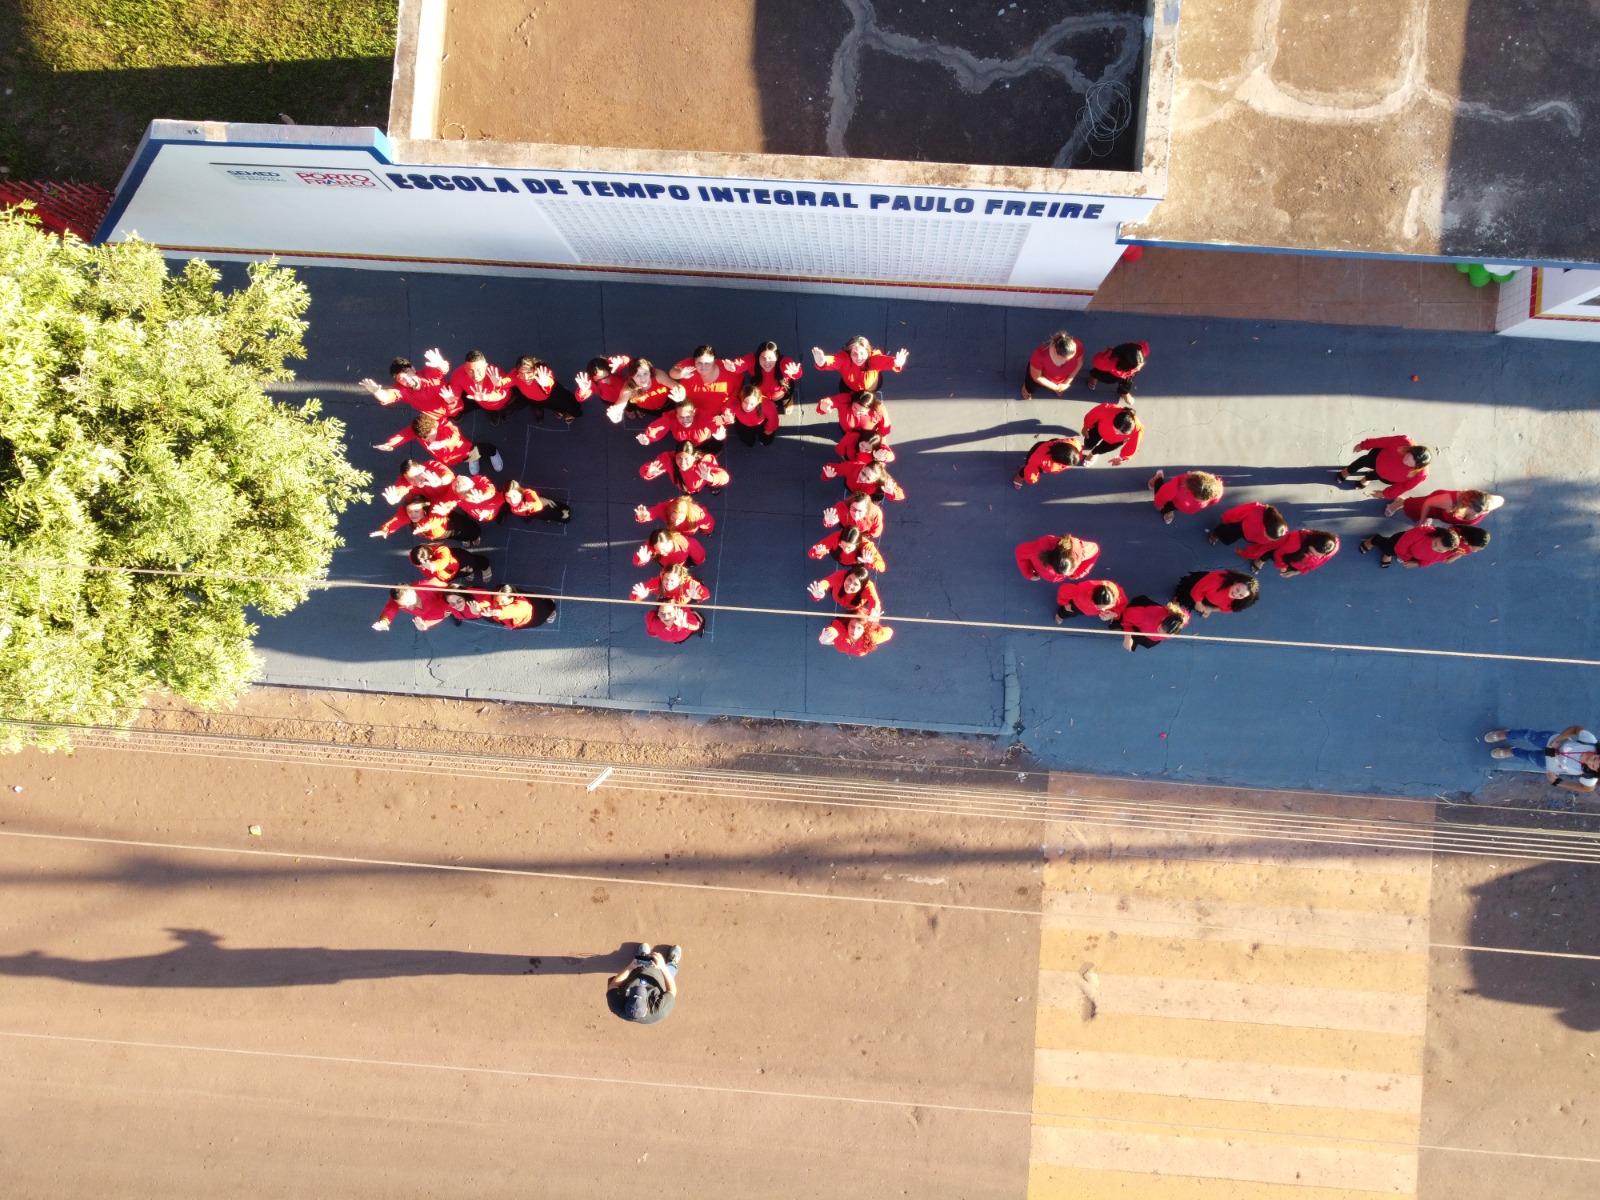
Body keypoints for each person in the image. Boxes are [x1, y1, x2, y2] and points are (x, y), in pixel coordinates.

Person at [375, 411, 502, 475]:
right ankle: (473, 461)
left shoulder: (445, 426)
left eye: (429, 437)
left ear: (434, 427)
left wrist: (442, 443)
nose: (426, 441)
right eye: (423, 438)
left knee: (481, 450)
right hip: (449, 458)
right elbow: (403, 435)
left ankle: (493, 452)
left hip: (465, 450)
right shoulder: (420, 431)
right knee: (464, 460)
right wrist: (390, 444)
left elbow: (454, 435)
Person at [1484, 727, 1600, 793]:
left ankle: (1512, 751)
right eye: (1595, 758)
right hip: (1551, 741)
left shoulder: (1590, 777)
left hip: (1551, 763)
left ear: (1594, 771)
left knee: (1529, 756)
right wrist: (1558, 739)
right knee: (1528, 735)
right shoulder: (1589, 741)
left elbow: (1587, 788)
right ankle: (1506, 734)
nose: (1590, 761)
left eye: (1592, 765)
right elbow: (1575, 729)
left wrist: (1557, 782)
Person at [812, 337, 908, 414]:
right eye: (854, 354)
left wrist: (895, 363)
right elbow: (835, 361)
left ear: (868, 352)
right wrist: (823, 362)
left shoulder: (873, 359)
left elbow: (883, 361)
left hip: (871, 388)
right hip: (849, 389)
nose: (859, 358)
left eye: (862, 353)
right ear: (849, 354)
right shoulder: (845, 360)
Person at [359, 350, 462, 418]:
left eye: (407, 374)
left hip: (455, 404)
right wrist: (376, 392)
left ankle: (457, 415)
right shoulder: (401, 391)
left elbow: (443, 369)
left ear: (413, 369)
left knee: (458, 413)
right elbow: (386, 397)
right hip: (436, 416)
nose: (407, 380)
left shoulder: (428, 374)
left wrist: (439, 363)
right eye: (401, 379)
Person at [1337, 435, 1432, 499]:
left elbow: (1404, 487)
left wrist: (1384, 494)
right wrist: (1363, 445)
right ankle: (1347, 471)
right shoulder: (1402, 441)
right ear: (1409, 449)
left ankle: (1366, 478)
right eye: (1407, 456)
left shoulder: (1421, 475)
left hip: (1387, 476)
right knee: (1364, 461)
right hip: (1378, 458)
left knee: (1376, 475)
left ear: (1417, 468)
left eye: (1410, 464)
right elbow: (1382, 442)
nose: (1405, 462)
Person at [606, 943, 681, 1024]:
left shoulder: (616, 1005)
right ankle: (672, 961)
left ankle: (643, 957)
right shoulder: (660, 1010)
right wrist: (663, 967)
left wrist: (631, 966)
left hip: (636, 972)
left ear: (626, 1003)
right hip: (659, 976)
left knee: (640, 962)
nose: (641, 986)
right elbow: (672, 990)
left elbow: (614, 985)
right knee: (671, 970)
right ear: (646, 1009)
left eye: (634, 991)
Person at [670, 345, 745, 424]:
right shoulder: (690, 366)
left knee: (716, 434)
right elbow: (672, 372)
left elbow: (738, 387)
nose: (703, 367)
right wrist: (681, 374)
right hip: (691, 417)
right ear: (694, 361)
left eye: (707, 363)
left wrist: (730, 409)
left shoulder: (728, 370)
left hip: (716, 417)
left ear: (715, 361)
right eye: (699, 363)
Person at [725, 341, 803, 414]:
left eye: (770, 358)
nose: (767, 362)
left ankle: (790, 400)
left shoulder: (784, 362)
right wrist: (734, 367)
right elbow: (742, 363)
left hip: (781, 394)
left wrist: (796, 372)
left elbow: (797, 372)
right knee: (764, 409)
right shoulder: (752, 360)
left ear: (776, 357)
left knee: (783, 403)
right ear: (758, 357)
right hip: (762, 395)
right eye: (763, 358)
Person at [370, 495, 481, 545]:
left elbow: (436, 519)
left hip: (448, 525)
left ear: (424, 510)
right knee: (457, 537)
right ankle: (467, 538)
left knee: (465, 528)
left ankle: (475, 535)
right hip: (440, 534)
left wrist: (428, 525)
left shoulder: (434, 510)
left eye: (416, 511)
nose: (412, 515)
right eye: (409, 511)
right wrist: (386, 529)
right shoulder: (409, 514)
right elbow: (397, 520)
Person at [508, 356, 583, 423]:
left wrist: (545, 385)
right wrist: (498, 384)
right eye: (521, 373)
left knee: (569, 404)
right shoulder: (516, 375)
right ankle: (562, 411)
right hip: (539, 400)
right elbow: (503, 382)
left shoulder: (544, 373)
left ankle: (574, 412)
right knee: (552, 406)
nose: (526, 377)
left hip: (554, 394)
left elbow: (549, 383)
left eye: (529, 372)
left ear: (535, 369)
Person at [1241, 528, 1337, 577]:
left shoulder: (1333, 547)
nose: (1310, 555)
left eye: (1316, 555)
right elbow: (1279, 554)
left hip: (1297, 563)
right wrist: (1282, 569)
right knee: (1272, 554)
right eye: (1311, 551)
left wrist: (1298, 572)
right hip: (1289, 556)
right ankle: (1261, 560)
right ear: (1310, 542)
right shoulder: (1295, 543)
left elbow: (1319, 562)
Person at [640, 442, 730, 495]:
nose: (682, 463)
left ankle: (713, 486)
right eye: (679, 458)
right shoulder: (669, 459)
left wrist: (710, 477)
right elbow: (644, 470)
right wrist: (648, 472)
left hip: (703, 480)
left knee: (712, 482)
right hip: (686, 485)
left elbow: (724, 476)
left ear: (694, 456)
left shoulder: (704, 462)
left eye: (686, 459)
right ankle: (690, 491)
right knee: (689, 490)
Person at [610, 358, 679, 422]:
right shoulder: (629, 387)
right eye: (638, 375)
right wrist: (615, 414)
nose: (643, 379)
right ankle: (640, 411)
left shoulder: (658, 376)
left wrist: (681, 394)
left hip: (667, 404)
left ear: (650, 372)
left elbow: (677, 386)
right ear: (632, 377)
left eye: (645, 373)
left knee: (673, 418)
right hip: (647, 409)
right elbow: (621, 402)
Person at [1386, 488, 1504, 525]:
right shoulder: (1450, 501)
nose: (1479, 514)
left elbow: (1501, 500)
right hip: (1435, 504)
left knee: (1430, 514)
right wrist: (1421, 524)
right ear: (1467, 503)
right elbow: (1429, 503)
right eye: (1475, 510)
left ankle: (1428, 515)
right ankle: (1400, 502)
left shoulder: (1489, 504)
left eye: (1483, 511)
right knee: (1415, 506)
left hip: (1442, 514)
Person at [448, 350, 511, 420]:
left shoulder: (495, 374)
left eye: (478, 370)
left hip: (498, 403)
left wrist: (487, 397)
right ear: (465, 368)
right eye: (471, 370)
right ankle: (459, 412)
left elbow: (504, 392)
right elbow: (455, 396)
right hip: (475, 399)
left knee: (503, 406)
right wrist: (451, 402)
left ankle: (496, 410)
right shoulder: (458, 375)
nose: (475, 375)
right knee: (464, 405)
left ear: (486, 367)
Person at [1360, 525, 1460, 568]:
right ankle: (1374, 540)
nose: (1435, 549)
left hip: (1412, 554)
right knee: (1387, 547)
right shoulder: (1423, 532)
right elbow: (1402, 544)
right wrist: (1404, 557)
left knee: (1390, 552)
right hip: (1399, 543)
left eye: (1439, 550)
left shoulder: (1446, 553)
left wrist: (1418, 564)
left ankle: (1388, 554)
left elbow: (1433, 560)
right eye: (1435, 544)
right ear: (1437, 535)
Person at [1113, 596, 1189, 651]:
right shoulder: (1143, 617)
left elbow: (1184, 617)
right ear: (1163, 620)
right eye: (1160, 629)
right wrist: (1128, 635)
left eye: (1165, 635)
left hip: (1150, 635)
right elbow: (1127, 615)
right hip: (1142, 620)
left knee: (1148, 643)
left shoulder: (1179, 621)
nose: (1160, 634)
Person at [1022, 332, 1083, 400]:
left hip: (1059, 380)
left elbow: (1079, 363)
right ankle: (1026, 389)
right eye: (1065, 359)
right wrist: (1057, 388)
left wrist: (1066, 383)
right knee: (1030, 387)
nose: (1065, 362)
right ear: (1056, 351)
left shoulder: (1077, 345)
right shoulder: (1039, 356)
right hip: (1039, 375)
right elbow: (1036, 377)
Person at [638, 401, 725, 449]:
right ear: (676, 415)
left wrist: (718, 431)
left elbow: (712, 422)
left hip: (706, 443)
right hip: (687, 446)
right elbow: (659, 426)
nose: (685, 420)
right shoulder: (671, 417)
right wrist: (648, 437)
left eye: (688, 417)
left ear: (694, 413)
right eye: (681, 417)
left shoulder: (702, 416)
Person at [1015, 533, 1099, 583]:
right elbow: (1019, 551)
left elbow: (1095, 550)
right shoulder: (1036, 551)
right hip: (1042, 572)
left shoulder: (1081, 551)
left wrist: (1080, 573)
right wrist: (1028, 573)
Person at [1173, 569, 1259, 616]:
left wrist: (1210, 609)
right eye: (1237, 589)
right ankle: (1177, 600)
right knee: (1184, 596)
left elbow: (1226, 609)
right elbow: (1197, 589)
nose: (1236, 594)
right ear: (1236, 582)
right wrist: (1198, 604)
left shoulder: (1238, 603)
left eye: (1241, 595)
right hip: (1197, 586)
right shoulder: (1217, 580)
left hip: (1209, 600)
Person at [468, 584, 557, 630]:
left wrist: (501, 612)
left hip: (534, 615)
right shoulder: (496, 597)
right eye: (496, 601)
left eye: (503, 601)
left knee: (546, 610)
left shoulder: (522, 605)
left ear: (511, 599)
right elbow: (487, 601)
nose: (499, 604)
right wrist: (478, 608)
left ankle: (550, 606)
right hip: (513, 621)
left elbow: (514, 610)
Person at [372, 581, 451, 631]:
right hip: (431, 617)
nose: (408, 607)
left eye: (409, 601)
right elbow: (390, 609)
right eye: (403, 605)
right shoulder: (399, 600)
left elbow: (449, 590)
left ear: (413, 592)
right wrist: (383, 622)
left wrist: (448, 609)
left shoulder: (428, 585)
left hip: (449, 605)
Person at [807, 566, 883, 618]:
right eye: (849, 579)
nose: (850, 585)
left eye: (856, 584)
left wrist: (873, 618)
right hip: (838, 597)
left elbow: (875, 602)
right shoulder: (840, 576)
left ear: (862, 587)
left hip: (855, 607)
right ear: (846, 576)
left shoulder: (868, 587)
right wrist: (818, 592)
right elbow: (826, 582)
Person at [1148, 470, 1223, 522]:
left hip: (1180, 504)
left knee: (1172, 505)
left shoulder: (1216, 490)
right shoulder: (1176, 487)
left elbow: (1214, 500)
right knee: (1161, 495)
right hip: (1176, 501)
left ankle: (1169, 510)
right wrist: (1158, 505)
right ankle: (1158, 479)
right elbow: (1161, 495)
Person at [1209, 501, 1287, 550]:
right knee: (1226, 535)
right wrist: (1225, 519)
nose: (1268, 540)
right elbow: (1236, 513)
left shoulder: (1281, 531)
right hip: (1241, 528)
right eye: (1267, 537)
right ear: (1266, 527)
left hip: (1250, 536)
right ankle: (1216, 534)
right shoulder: (1256, 509)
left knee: (1228, 540)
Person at [809, 525, 887, 572]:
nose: (846, 550)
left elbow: (882, 567)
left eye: (849, 548)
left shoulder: (867, 546)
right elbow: (811, 553)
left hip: (856, 562)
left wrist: (871, 561)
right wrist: (817, 552)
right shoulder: (835, 537)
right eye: (842, 545)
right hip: (839, 557)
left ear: (857, 544)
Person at [1014, 436, 1084, 488]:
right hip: (1036, 458)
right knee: (1027, 468)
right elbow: (1031, 471)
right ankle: (1020, 476)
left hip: (1050, 444)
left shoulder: (1074, 444)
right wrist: (1032, 479)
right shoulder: (1040, 459)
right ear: (1057, 460)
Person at [383, 458, 457, 506]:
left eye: (417, 475)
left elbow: (449, 475)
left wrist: (440, 481)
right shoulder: (404, 479)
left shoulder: (431, 465)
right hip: (437, 506)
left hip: (454, 496)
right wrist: (396, 495)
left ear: (421, 468)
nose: (416, 481)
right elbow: (400, 488)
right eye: (411, 479)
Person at [822, 459, 905, 501]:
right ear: (863, 466)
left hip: (870, 494)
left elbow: (901, 495)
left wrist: (891, 492)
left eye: (868, 478)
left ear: (875, 480)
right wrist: (827, 475)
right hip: (851, 487)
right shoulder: (851, 467)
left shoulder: (884, 480)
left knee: (877, 496)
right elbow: (830, 467)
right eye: (863, 473)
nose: (862, 478)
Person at [410, 542, 490, 585]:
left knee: (474, 564)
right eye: (419, 566)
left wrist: (433, 566)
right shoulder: (415, 557)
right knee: (464, 573)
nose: (423, 568)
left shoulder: (442, 550)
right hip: (450, 574)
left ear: (429, 557)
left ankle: (485, 566)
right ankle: (470, 572)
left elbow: (443, 562)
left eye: (423, 565)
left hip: (462, 562)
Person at [635, 495, 714, 537]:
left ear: (686, 515)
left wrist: (707, 531)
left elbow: (708, 522)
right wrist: (644, 516)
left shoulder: (697, 515)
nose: (676, 522)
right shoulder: (665, 508)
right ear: (669, 513)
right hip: (674, 530)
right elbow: (653, 513)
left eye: (680, 519)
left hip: (688, 530)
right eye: (673, 518)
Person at [728, 382, 780, 447]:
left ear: (758, 401)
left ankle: (763, 441)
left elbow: (773, 418)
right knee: (747, 440)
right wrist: (727, 415)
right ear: (741, 399)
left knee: (766, 439)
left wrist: (769, 429)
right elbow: (728, 408)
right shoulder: (736, 402)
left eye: (752, 404)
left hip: (760, 425)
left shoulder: (767, 405)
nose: (748, 407)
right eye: (745, 402)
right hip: (742, 425)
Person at [1054, 579, 1126, 624]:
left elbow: (1122, 607)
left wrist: (1114, 614)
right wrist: (1065, 604)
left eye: (1106, 607)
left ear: (1114, 600)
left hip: (1087, 609)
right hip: (1078, 606)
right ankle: (1060, 615)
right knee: (1068, 612)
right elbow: (1063, 589)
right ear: (1091, 598)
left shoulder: (1119, 597)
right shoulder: (1081, 590)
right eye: (1098, 606)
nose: (1103, 610)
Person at [632, 564, 710, 605]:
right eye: (666, 579)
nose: (668, 583)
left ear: (680, 579)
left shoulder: (688, 584)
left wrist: (697, 596)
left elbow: (706, 594)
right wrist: (639, 596)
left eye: (672, 580)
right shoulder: (657, 582)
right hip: (669, 603)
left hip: (682, 603)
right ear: (662, 576)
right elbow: (633, 596)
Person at [502, 480, 572, 524]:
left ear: (520, 493)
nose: (513, 501)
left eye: (514, 496)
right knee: (545, 517)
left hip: (544, 507)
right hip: (532, 514)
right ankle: (547, 518)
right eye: (508, 497)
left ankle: (565, 517)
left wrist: (531, 506)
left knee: (555, 511)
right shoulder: (511, 505)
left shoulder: (528, 494)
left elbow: (539, 505)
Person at [634, 528, 706, 569]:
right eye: (658, 550)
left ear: (671, 540)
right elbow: (636, 560)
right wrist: (641, 560)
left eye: (664, 549)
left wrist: (698, 562)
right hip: (665, 564)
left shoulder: (686, 544)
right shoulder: (653, 543)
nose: (662, 553)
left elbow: (699, 556)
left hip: (683, 563)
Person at [820, 616, 894, 656]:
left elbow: (889, 632)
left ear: (864, 630)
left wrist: (875, 625)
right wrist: (825, 636)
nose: (854, 631)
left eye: (859, 628)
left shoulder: (871, 637)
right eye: (852, 626)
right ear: (848, 625)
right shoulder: (841, 630)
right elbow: (834, 630)